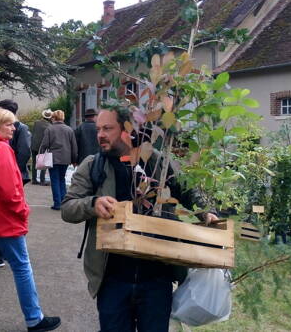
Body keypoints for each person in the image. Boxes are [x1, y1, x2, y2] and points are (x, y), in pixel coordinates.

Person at [61, 107, 218, 332]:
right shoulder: (93, 165)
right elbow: (68, 208)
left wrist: (206, 211)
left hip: (156, 279)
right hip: (112, 279)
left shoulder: (156, 162)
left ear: (127, 130)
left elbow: (188, 190)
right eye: (98, 129)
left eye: (107, 128)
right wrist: (92, 204)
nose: (100, 135)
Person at [0, 108, 62, 332]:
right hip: (4, 219)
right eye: (8, 124)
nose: (13, 127)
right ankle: (34, 318)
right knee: (21, 267)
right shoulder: (0, 149)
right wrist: (22, 211)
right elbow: (10, 191)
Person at [40, 110, 77, 210]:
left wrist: (41, 155)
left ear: (54, 118)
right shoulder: (69, 130)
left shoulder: (50, 129)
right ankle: (64, 202)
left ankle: (57, 203)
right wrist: (74, 160)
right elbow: (74, 146)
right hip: (66, 158)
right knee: (62, 179)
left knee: (55, 180)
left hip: (53, 158)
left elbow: (44, 144)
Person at [0, 99, 32, 185]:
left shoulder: (22, 128)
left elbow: (24, 152)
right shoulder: (2, 126)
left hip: (15, 172)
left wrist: (14, 170)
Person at [31, 109, 52, 186]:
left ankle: (34, 179)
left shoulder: (36, 123)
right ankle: (42, 180)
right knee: (43, 163)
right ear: (49, 117)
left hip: (34, 145)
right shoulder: (50, 126)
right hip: (42, 146)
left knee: (34, 163)